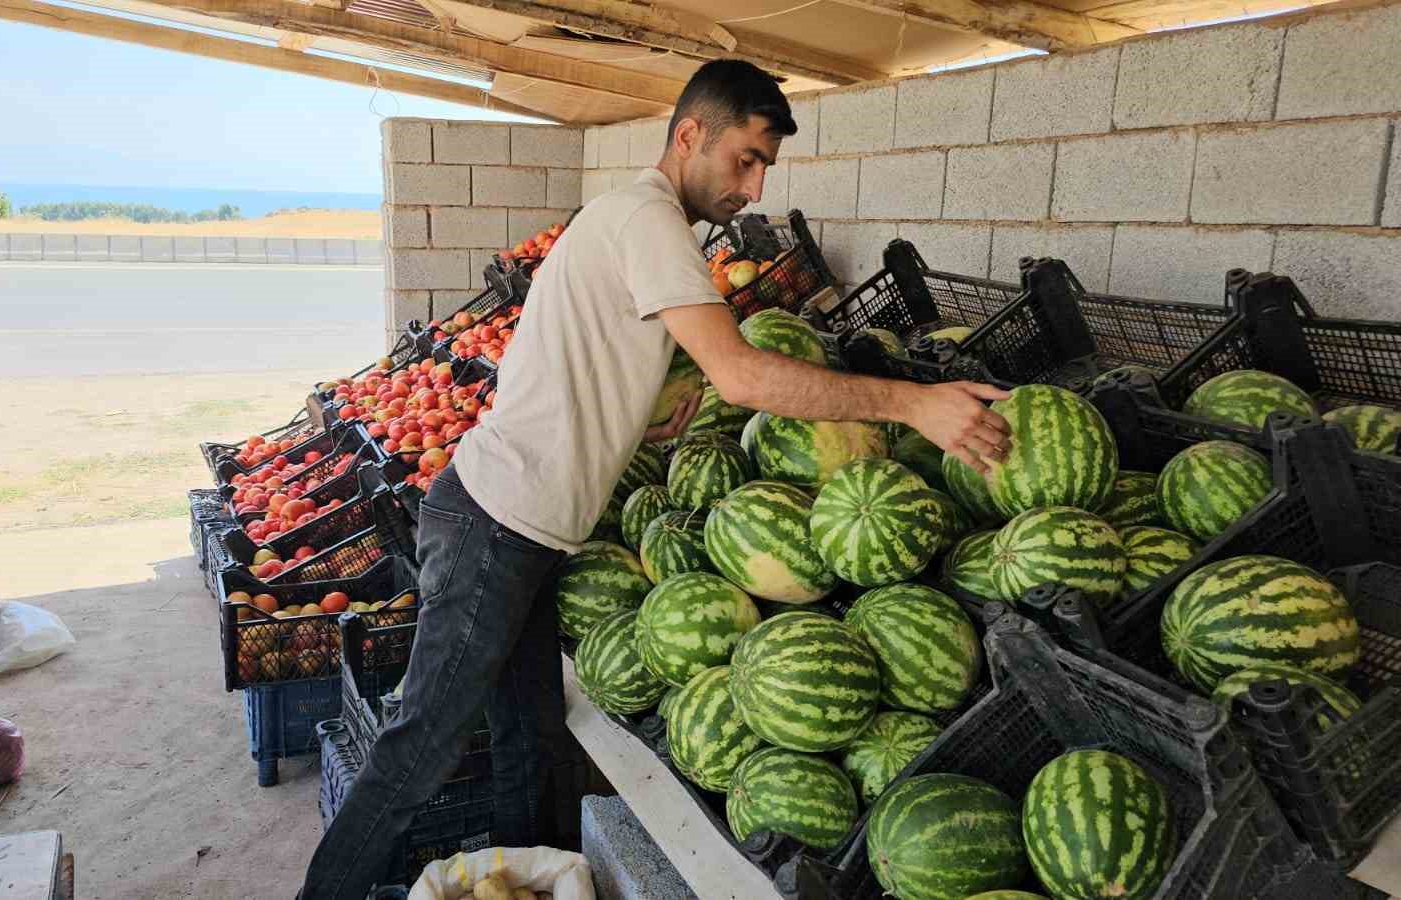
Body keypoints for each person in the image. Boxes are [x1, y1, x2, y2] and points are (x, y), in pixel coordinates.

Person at [298, 59, 1011, 900]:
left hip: (516, 527)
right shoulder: (648, 219)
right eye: (744, 159)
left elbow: (607, 358)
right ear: (689, 135)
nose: (751, 187)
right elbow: (743, 376)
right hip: (495, 524)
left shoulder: (631, 217)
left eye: (765, 169)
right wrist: (914, 405)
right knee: (421, 749)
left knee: (529, 736)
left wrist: (646, 409)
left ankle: (539, 879)